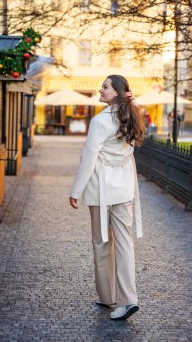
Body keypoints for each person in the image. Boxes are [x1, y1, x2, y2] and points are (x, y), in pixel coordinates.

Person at [69, 75, 145, 321]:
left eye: (105, 87)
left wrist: (76, 191)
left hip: (101, 191)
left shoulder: (100, 121)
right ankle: (127, 299)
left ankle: (107, 296)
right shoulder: (132, 115)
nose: (100, 90)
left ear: (116, 93)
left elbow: (89, 157)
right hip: (124, 190)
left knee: (102, 243)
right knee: (125, 245)